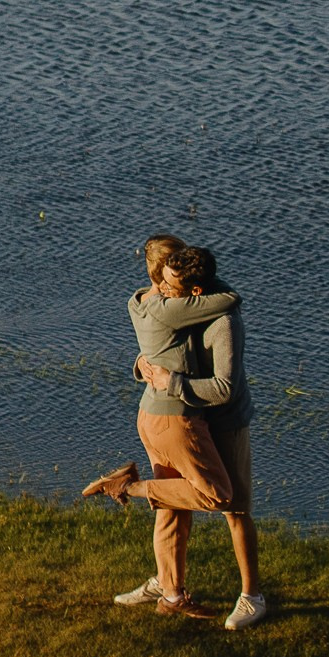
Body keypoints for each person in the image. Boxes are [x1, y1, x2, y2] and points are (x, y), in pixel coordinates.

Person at [81, 234, 266, 629]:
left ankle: (251, 596)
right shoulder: (173, 306)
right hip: (183, 419)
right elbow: (164, 345)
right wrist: (145, 365)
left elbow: (223, 388)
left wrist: (168, 380)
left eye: (170, 284)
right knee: (175, 504)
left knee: (235, 509)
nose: (161, 290)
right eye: (160, 281)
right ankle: (168, 587)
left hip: (222, 420)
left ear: (193, 289)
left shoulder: (221, 321)